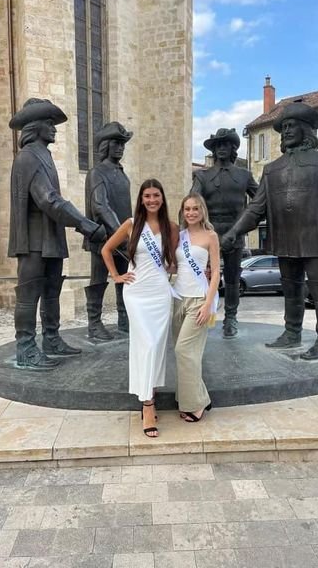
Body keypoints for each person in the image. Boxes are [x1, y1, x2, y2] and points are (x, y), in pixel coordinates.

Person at [222, 102, 318, 360]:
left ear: (306, 129)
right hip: (285, 240)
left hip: (317, 240)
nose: (285, 131)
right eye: (283, 127)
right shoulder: (271, 169)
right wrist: (234, 232)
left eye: (291, 126)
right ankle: (291, 332)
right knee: (291, 290)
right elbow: (255, 209)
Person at [8, 98, 106, 370]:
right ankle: (26, 349)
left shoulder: (44, 155)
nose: (54, 128)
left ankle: (51, 339)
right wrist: (84, 223)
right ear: (36, 126)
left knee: (52, 291)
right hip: (33, 241)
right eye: (49, 124)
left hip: (50, 239)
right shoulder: (29, 157)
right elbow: (48, 200)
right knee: (29, 295)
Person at [102, 179, 179, 436]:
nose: (152, 200)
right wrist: (116, 275)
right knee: (144, 344)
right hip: (136, 294)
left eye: (156, 195)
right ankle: (147, 404)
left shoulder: (171, 227)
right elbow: (106, 249)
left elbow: (175, 262)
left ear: (162, 198)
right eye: (147, 196)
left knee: (157, 346)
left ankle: (150, 393)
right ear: (141, 199)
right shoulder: (131, 224)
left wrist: (175, 269)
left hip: (159, 294)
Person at [191, 128, 258, 339]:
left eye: (225, 144)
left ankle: (230, 317)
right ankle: (199, 314)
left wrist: (243, 227)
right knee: (201, 277)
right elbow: (191, 203)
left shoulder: (244, 175)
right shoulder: (202, 175)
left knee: (232, 279)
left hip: (235, 235)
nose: (221, 148)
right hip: (207, 235)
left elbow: (259, 203)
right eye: (217, 145)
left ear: (233, 148)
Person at [172, 193, 220, 422]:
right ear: (183, 212)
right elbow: (173, 266)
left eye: (195, 209)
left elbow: (216, 272)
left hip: (199, 300)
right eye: (187, 209)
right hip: (177, 298)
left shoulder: (211, 236)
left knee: (184, 351)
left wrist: (208, 304)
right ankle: (193, 398)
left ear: (202, 211)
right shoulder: (179, 236)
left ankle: (196, 404)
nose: (191, 213)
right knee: (186, 354)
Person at [84, 121, 133, 341]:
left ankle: (124, 318)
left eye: (122, 143)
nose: (120, 147)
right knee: (98, 279)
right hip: (103, 238)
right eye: (116, 143)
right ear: (105, 145)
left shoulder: (122, 173)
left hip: (124, 240)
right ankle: (94, 323)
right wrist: (120, 234)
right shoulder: (97, 172)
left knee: (124, 279)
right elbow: (100, 206)